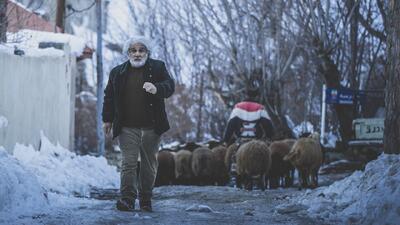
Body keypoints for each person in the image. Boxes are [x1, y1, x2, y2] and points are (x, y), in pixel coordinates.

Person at [102, 36, 175, 212]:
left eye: (141, 50)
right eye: (133, 50)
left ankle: (145, 199)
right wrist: (107, 119)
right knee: (129, 162)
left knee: (149, 163)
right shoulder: (117, 72)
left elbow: (170, 85)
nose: (137, 54)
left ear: (147, 53)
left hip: (152, 125)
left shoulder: (158, 67)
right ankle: (127, 199)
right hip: (127, 126)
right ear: (127, 53)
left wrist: (157, 88)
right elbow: (109, 96)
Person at [223, 80, 274, 145]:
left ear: (245, 95)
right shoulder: (261, 108)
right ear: (256, 96)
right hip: (257, 142)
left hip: (240, 142)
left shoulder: (237, 107)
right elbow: (268, 127)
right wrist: (270, 138)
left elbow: (230, 126)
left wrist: (225, 141)